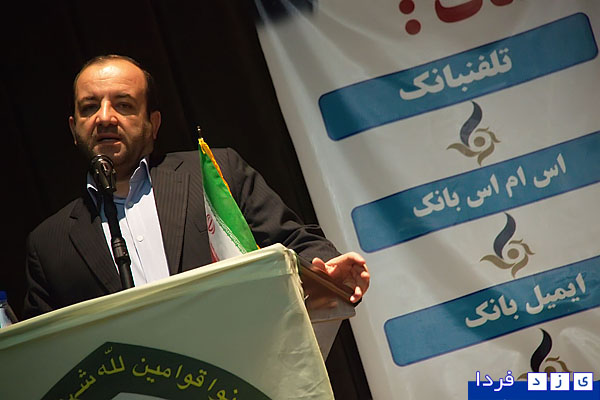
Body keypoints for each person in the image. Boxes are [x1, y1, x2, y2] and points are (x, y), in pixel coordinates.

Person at [23, 55, 369, 319]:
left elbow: (298, 243)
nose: (104, 117)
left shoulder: (213, 173)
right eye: (89, 108)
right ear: (74, 128)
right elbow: (43, 353)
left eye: (124, 105)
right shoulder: (49, 245)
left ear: (152, 124)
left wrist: (326, 268)